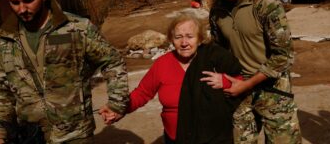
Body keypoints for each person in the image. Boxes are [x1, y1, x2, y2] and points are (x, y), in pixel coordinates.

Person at [0, 0, 129, 143]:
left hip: (75, 135)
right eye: (15, 3)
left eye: (29, 0)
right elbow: (2, 92)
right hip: (30, 137)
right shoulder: (5, 39)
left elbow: (112, 61)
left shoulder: (77, 28)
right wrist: (1, 132)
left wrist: (117, 102)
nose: (22, 9)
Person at [206, 0, 302, 144]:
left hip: (273, 92)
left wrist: (248, 83)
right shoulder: (217, 11)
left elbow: (284, 56)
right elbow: (220, 51)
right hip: (239, 93)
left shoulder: (266, 4)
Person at [100, 13, 242, 144]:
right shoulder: (163, 64)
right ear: (172, 40)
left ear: (199, 39)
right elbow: (142, 93)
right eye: (178, 37)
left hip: (212, 136)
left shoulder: (214, 58)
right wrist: (118, 109)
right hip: (175, 138)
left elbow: (241, 80)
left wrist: (225, 81)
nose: (184, 42)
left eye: (189, 36)